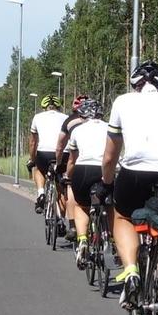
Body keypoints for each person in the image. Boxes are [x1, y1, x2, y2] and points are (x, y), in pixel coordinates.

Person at [98, 60, 158, 310]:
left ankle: (131, 271)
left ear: (135, 85)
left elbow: (110, 156)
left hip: (136, 173)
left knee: (122, 216)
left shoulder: (122, 101)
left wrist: (106, 184)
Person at [63, 98, 108, 268]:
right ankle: (109, 237)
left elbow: (72, 161)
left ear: (83, 115)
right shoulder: (110, 128)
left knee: (81, 205)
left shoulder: (77, 130)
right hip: (106, 169)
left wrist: (68, 176)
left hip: (83, 170)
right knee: (110, 204)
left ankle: (82, 240)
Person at [56, 94, 88, 242]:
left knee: (70, 187)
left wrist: (58, 163)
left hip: (74, 158)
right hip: (97, 161)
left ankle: (73, 226)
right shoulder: (101, 122)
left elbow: (61, 144)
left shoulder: (69, 121)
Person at [28, 95, 67, 217]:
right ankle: (60, 221)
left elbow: (33, 142)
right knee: (61, 186)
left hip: (43, 153)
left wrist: (32, 159)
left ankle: (41, 193)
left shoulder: (37, 117)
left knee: (39, 169)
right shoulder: (66, 118)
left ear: (44, 107)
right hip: (62, 153)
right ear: (58, 107)